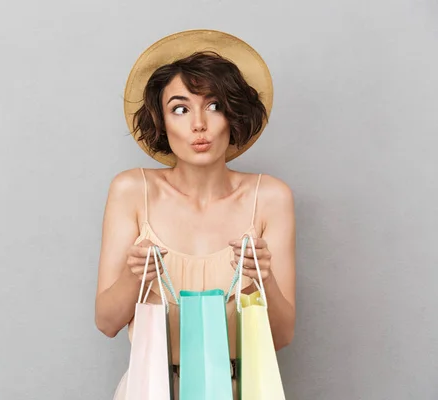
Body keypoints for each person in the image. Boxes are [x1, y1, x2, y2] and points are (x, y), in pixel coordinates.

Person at [94, 30, 296, 399]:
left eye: (214, 106)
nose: (198, 124)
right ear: (162, 120)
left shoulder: (269, 196)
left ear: (233, 115)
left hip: (241, 390)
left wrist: (263, 279)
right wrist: (132, 274)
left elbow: (281, 337)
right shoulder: (131, 191)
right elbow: (107, 323)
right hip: (151, 389)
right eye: (180, 108)